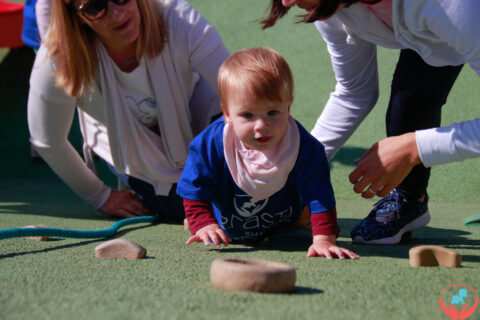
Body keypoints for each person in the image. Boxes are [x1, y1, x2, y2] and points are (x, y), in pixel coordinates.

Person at [261, 0, 479, 244]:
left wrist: (414, 148)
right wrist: (295, 170)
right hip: (433, 36)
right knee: (408, 104)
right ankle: (410, 201)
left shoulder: (450, 6)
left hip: (460, 19)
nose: (286, 1)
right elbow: (355, 92)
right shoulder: (328, 8)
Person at [27, 0, 229, 220]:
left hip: (192, 112)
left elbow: (235, 91)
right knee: (194, 206)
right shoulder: (57, 57)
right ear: (76, 16)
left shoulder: (175, 16)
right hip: (131, 149)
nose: (116, 13)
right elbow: (47, 141)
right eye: (95, 7)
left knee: (244, 189)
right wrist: (100, 196)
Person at [176, 47, 359, 259]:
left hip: (284, 223)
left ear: (288, 107)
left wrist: (323, 240)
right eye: (247, 115)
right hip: (227, 228)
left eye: (272, 112)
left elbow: (319, 193)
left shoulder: (304, 147)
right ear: (227, 113)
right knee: (202, 216)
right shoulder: (211, 144)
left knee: (297, 227)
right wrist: (203, 222)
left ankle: (299, 220)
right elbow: (194, 187)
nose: (261, 125)